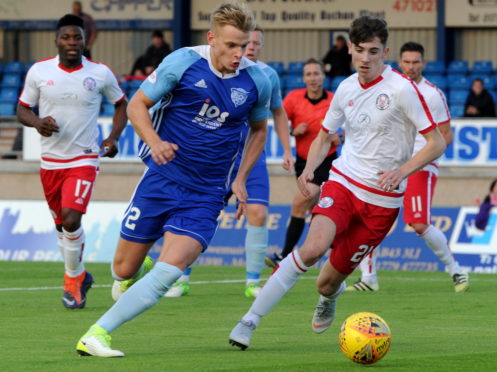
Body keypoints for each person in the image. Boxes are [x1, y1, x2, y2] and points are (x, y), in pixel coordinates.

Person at [228, 16, 446, 350]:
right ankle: (248, 321)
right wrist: (310, 170)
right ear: (351, 51)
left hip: (382, 203)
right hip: (343, 183)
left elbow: (436, 143)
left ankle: (330, 296)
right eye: (360, 50)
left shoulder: (402, 89)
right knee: (312, 248)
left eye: (374, 51)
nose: (366, 58)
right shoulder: (345, 88)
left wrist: (401, 172)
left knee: (326, 283)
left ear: (384, 51)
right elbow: (326, 135)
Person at [76, 2, 270, 357]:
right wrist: (155, 143)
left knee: (170, 272)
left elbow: (259, 131)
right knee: (123, 270)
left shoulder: (258, 79)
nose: (238, 53)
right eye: (230, 45)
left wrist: (241, 178)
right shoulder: (182, 62)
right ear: (212, 39)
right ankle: (137, 270)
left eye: (243, 46)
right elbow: (136, 106)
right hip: (162, 179)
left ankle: (97, 334)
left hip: (208, 193)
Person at [164, 26, 293, 299]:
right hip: (217, 155)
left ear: (258, 46)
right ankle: (180, 279)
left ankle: (252, 282)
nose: (249, 48)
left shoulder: (266, 76)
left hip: (250, 156)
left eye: (254, 43)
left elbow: (278, 113)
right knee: (193, 214)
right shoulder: (212, 70)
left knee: (258, 213)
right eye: (245, 43)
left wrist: (286, 149)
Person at [16, 14, 127, 309]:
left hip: (84, 158)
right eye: (66, 37)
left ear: (85, 40)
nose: (72, 43)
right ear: (57, 41)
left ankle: (72, 283)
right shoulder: (40, 72)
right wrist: (38, 122)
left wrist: (113, 137)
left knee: (71, 219)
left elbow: (121, 104)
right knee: (61, 228)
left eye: (77, 37)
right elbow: (23, 109)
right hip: (51, 162)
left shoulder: (100, 73)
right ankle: (81, 275)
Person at [346, 42, 469, 293]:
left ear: (423, 63)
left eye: (416, 62)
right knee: (366, 219)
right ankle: (368, 278)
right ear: (399, 62)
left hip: (418, 166)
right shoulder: (389, 88)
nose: (411, 67)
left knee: (419, 223)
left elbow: (446, 136)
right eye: (407, 62)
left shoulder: (432, 94)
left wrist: (423, 156)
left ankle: (456, 270)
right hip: (386, 165)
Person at [265, 58, 340, 268]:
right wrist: (292, 132)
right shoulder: (294, 98)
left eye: (317, 74)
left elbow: (347, 131)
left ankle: (285, 255)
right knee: (314, 208)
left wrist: (338, 138)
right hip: (303, 162)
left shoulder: (333, 100)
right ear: (304, 78)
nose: (313, 78)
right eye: (309, 74)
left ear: (323, 76)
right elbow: (280, 119)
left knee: (300, 202)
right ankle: (334, 249)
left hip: (326, 161)